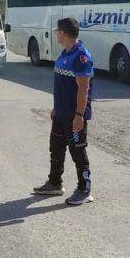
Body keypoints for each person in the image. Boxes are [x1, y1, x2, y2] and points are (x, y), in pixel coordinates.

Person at [33, 18, 94, 205]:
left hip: (73, 115)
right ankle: (54, 183)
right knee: (56, 149)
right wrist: (56, 108)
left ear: (63, 33)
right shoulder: (66, 53)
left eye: (57, 31)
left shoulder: (81, 56)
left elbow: (83, 89)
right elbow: (63, 86)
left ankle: (84, 190)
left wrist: (79, 115)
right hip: (60, 113)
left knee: (78, 153)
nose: (56, 34)